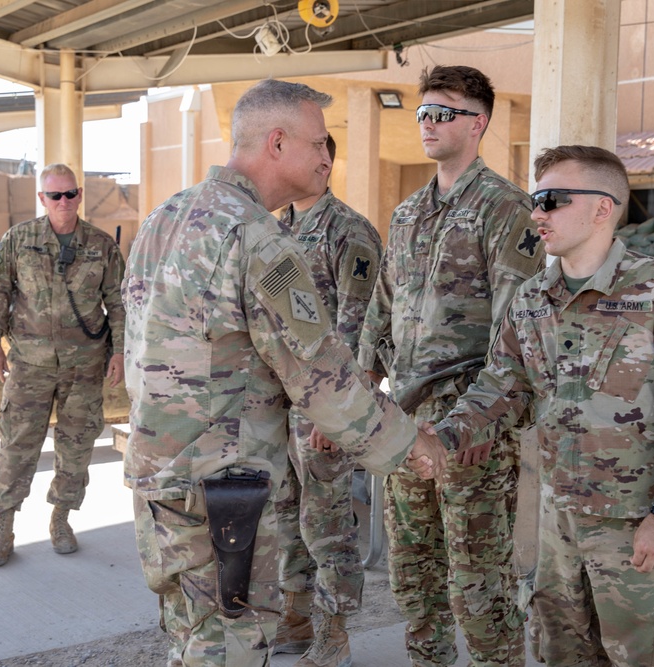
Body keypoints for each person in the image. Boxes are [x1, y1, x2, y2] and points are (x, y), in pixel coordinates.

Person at [121, 78, 447, 667]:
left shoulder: (165, 219)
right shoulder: (258, 238)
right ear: (277, 143)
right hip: (225, 488)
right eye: (319, 142)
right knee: (232, 645)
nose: (327, 157)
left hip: (159, 477)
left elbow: (137, 354)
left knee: (194, 636)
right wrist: (409, 444)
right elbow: (320, 377)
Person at [428, 145, 654, 667]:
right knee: (560, 654)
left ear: (602, 208)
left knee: (652, 655)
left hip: (635, 527)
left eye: (551, 200)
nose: (536, 214)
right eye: (535, 199)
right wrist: (438, 440)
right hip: (557, 529)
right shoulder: (530, 299)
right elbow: (499, 389)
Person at [356, 65, 545, 667]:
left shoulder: (505, 209)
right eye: (424, 113)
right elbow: (381, 307)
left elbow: (517, 338)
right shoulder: (409, 213)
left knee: (478, 586)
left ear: (479, 123)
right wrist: (363, 385)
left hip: (470, 432)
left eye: (445, 113)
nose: (430, 124)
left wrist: (476, 425)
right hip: (407, 425)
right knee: (413, 577)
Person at [0, 162, 126, 568]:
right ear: (42, 199)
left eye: (70, 193)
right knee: (16, 448)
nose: (64, 201)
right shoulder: (18, 240)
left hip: (85, 367)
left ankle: (61, 519)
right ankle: (2, 529)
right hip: (29, 365)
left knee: (76, 449)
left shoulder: (101, 245)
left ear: (80, 195)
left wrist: (120, 351)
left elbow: (120, 303)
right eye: (54, 195)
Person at [273, 134, 383, 667]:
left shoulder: (349, 232)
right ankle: (293, 616)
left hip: (322, 407)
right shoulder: (276, 229)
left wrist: (333, 410)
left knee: (327, 524)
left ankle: (334, 633)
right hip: (279, 402)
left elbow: (361, 330)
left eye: (319, 154)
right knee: (285, 515)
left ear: (328, 162)